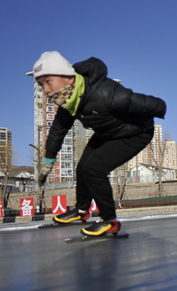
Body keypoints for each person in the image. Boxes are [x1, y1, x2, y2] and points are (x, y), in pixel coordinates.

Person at [29, 51, 166, 236]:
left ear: (68, 77)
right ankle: (82, 211)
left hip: (135, 133)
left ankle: (110, 220)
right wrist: (47, 163)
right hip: (107, 132)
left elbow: (146, 103)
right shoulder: (68, 102)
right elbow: (57, 132)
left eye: (48, 81)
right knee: (82, 167)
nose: (45, 89)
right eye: (41, 84)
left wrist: (159, 109)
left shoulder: (106, 93)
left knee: (94, 169)